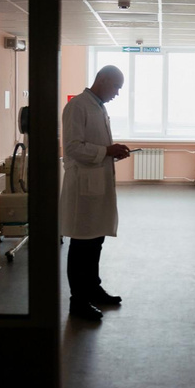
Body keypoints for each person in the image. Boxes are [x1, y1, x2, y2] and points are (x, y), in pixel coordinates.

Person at [59, 65, 130, 320]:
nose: (117, 93)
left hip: (97, 183)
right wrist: (107, 151)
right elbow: (72, 147)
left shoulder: (98, 106)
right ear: (102, 79)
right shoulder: (77, 106)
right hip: (83, 187)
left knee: (95, 240)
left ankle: (93, 289)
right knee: (82, 244)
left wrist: (111, 153)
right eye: (116, 87)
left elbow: (96, 145)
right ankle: (78, 301)